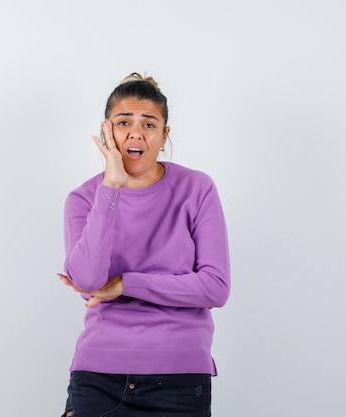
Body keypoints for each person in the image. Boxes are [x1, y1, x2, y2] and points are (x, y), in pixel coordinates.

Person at [57, 72, 230, 417]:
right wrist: (111, 187)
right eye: (124, 122)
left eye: (149, 125)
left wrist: (126, 284)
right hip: (99, 377)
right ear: (107, 131)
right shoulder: (84, 199)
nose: (136, 133)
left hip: (179, 380)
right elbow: (89, 283)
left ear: (165, 135)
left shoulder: (196, 189)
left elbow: (215, 287)